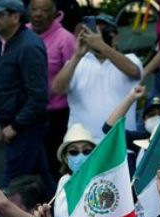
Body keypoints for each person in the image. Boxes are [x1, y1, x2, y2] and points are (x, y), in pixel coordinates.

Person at [0, 0, 51, 189]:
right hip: (13, 125)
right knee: (44, 183)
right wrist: (3, 123)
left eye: (0, 15)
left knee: (11, 190)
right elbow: (3, 86)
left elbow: (38, 97)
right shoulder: (1, 41)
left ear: (15, 17)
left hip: (26, 128)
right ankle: (64, 216)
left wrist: (14, 126)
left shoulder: (29, 47)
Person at [52, 15, 141, 143]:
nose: (96, 37)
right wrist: (77, 55)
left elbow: (134, 71)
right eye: (93, 32)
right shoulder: (77, 62)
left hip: (121, 146)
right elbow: (58, 89)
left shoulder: (131, 59)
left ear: (116, 38)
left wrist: (101, 46)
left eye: (103, 33)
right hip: (83, 147)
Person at [29, 0, 74, 177]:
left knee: (53, 166)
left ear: (55, 14)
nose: (38, 14)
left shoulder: (65, 39)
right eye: (34, 9)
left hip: (56, 114)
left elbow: (73, 79)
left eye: (44, 10)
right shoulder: (22, 32)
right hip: (28, 113)